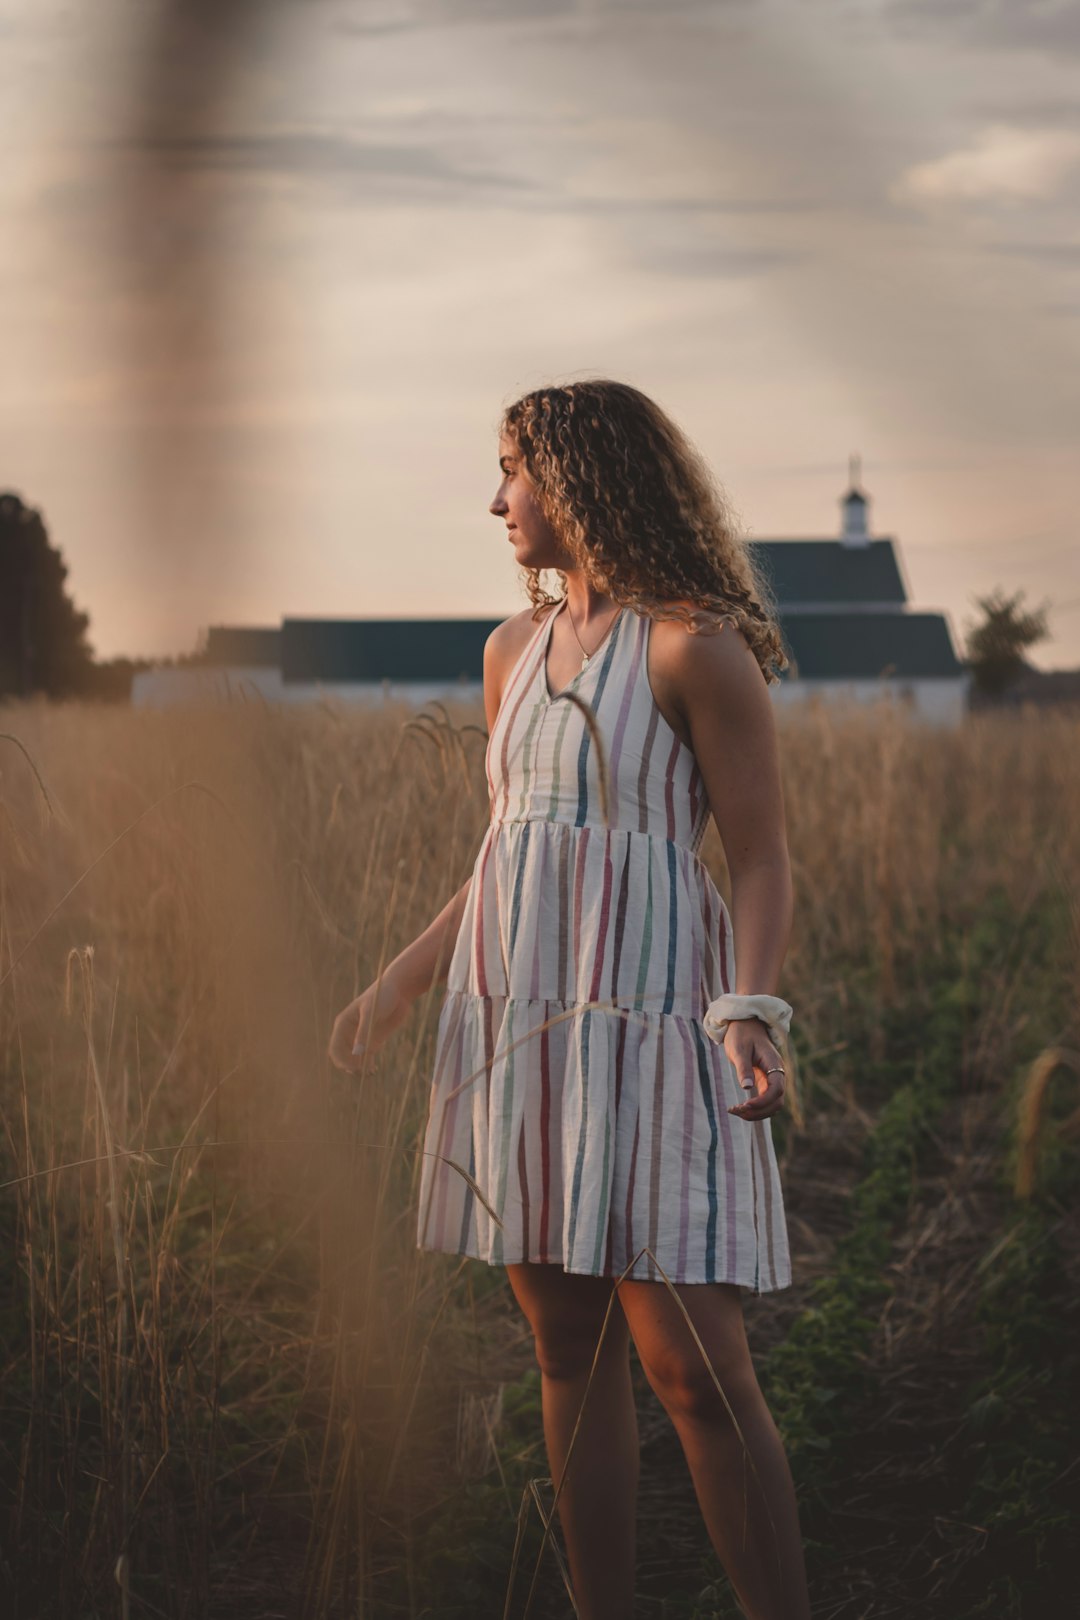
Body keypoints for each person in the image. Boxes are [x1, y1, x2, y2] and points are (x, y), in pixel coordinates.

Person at [329, 379, 811, 1620]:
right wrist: (396, 984)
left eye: (515, 472)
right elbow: (509, 851)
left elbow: (758, 855)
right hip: (520, 1021)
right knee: (567, 1351)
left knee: (695, 1368)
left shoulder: (691, 645)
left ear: (583, 478)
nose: (497, 500)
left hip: (654, 1028)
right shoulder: (507, 654)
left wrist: (753, 1007)